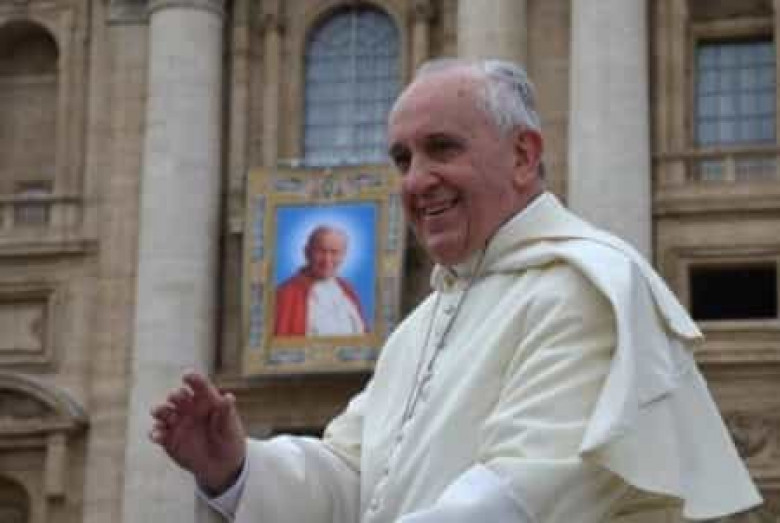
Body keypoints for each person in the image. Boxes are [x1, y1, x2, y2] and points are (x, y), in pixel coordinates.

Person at [150, 58, 762, 522]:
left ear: (522, 155)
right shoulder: (424, 323)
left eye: (442, 148)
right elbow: (354, 476)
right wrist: (237, 466)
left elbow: (515, 498)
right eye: (402, 159)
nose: (417, 180)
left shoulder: (588, 289)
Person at [274, 225, 367, 337]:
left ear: (343, 255)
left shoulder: (347, 289)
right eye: (321, 251)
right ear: (307, 252)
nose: (327, 260)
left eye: (334, 252)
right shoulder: (286, 293)